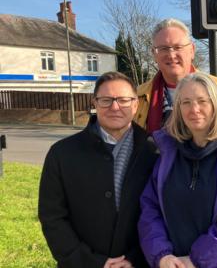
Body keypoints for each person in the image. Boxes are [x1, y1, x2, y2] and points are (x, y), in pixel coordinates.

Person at [138, 72, 217, 268]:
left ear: (216, 105)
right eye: (185, 102)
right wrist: (161, 255)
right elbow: (150, 210)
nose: (194, 109)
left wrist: (196, 260)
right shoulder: (167, 153)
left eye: (202, 101)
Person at [38, 72, 157, 268]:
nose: (115, 107)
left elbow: (162, 213)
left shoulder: (155, 150)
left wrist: (135, 259)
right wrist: (90, 262)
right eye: (106, 100)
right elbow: (52, 217)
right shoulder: (61, 153)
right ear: (94, 103)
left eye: (123, 100)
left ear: (135, 105)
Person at [133, 18, 217, 134]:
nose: (171, 55)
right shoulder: (138, 96)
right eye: (163, 49)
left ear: (192, 50)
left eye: (178, 47)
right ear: (154, 54)